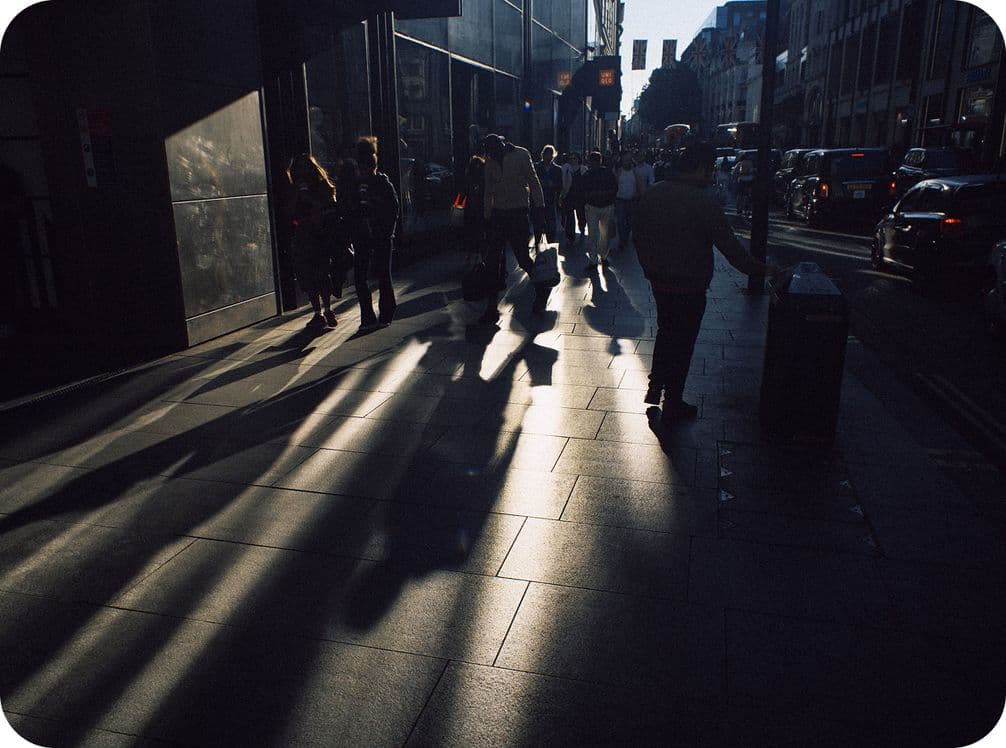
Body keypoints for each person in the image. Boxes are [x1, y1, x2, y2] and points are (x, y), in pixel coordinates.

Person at [633, 141, 778, 423]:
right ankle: (673, 399)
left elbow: (638, 233)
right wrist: (764, 270)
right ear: (699, 167)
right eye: (709, 168)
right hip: (690, 284)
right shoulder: (703, 201)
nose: (711, 173)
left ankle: (656, 384)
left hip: (660, 281)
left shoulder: (654, 193)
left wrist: (649, 267)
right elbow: (731, 249)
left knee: (666, 331)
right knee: (683, 341)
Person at [480, 133, 549, 323]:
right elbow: (488, 191)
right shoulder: (490, 160)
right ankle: (491, 307)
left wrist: (540, 209)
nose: (492, 155)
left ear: (503, 145)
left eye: (494, 152)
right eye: (489, 153)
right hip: (498, 215)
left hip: (518, 213)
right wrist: (486, 218)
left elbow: (534, 182)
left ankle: (541, 289)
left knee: (523, 258)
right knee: (492, 261)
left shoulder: (521, 154)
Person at [351, 136, 400, 333]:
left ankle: (370, 317)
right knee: (378, 275)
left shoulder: (379, 183)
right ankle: (381, 314)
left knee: (370, 276)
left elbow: (392, 208)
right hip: (370, 234)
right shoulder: (369, 183)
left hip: (376, 234)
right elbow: (393, 208)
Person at [286, 153, 338, 328]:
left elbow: (328, 207)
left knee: (317, 274)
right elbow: (291, 211)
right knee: (312, 275)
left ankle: (324, 310)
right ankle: (321, 311)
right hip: (309, 236)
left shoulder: (320, 187)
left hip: (315, 235)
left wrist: (308, 199)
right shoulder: (300, 188)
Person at [581, 150, 617, 267]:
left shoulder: (587, 175)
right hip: (605, 206)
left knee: (594, 233)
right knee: (604, 233)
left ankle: (594, 259)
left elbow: (583, 191)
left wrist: (591, 196)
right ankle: (603, 256)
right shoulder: (608, 173)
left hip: (593, 206)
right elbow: (614, 189)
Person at [461, 154, 488, 267]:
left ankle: (470, 255)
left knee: (471, 233)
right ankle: (481, 255)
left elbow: (463, 192)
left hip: (470, 209)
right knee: (482, 233)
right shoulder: (483, 177)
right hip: (481, 209)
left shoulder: (469, 177)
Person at [534, 144, 563, 244]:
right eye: (547, 154)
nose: (549, 157)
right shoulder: (536, 167)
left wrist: (553, 185)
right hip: (538, 199)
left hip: (551, 199)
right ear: (543, 155)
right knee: (538, 223)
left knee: (551, 224)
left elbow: (560, 185)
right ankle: (537, 242)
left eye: (551, 155)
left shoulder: (558, 169)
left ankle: (551, 243)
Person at [614, 151, 642, 250]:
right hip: (620, 200)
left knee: (630, 222)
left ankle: (625, 237)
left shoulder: (635, 172)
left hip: (632, 200)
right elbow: (615, 185)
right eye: (625, 160)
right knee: (621, 221)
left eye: (629, 160)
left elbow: (640, 186)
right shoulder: (619, 172)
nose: (627, 162)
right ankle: (623, 239)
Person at [560, 152, 587, 243]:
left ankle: (582, 227)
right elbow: (563, 180)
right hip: (569, 195)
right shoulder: (566, 168)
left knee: (581, 214)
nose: (573, 160)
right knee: (570, 216)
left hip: (580, 195)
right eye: (571, 158)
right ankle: (570, 236)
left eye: (574, 158)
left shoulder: (584, 169)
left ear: (578, 159)